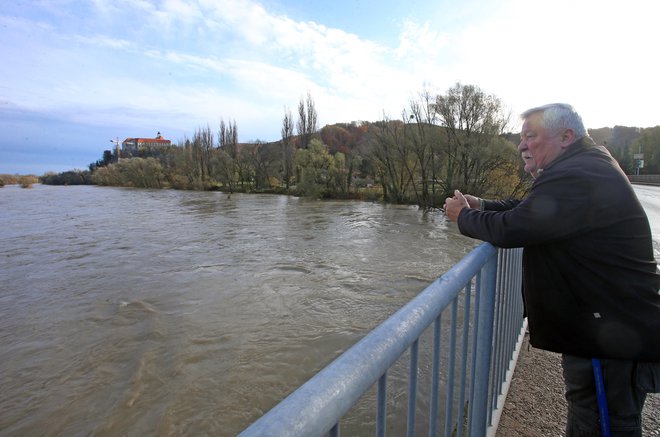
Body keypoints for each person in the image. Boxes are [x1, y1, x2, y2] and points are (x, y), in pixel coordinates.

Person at [443, 103, 660, 436]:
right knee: (593, 417)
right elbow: (533, 209)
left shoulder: (578, 174)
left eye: (531, 136)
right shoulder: (587, 164)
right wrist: (482, 206)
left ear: (566, 136)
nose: (522, 146)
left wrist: (464, 216)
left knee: (604, 424)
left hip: (610, 339)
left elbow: (514, 227)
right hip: (609, 327)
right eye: (521, 138)